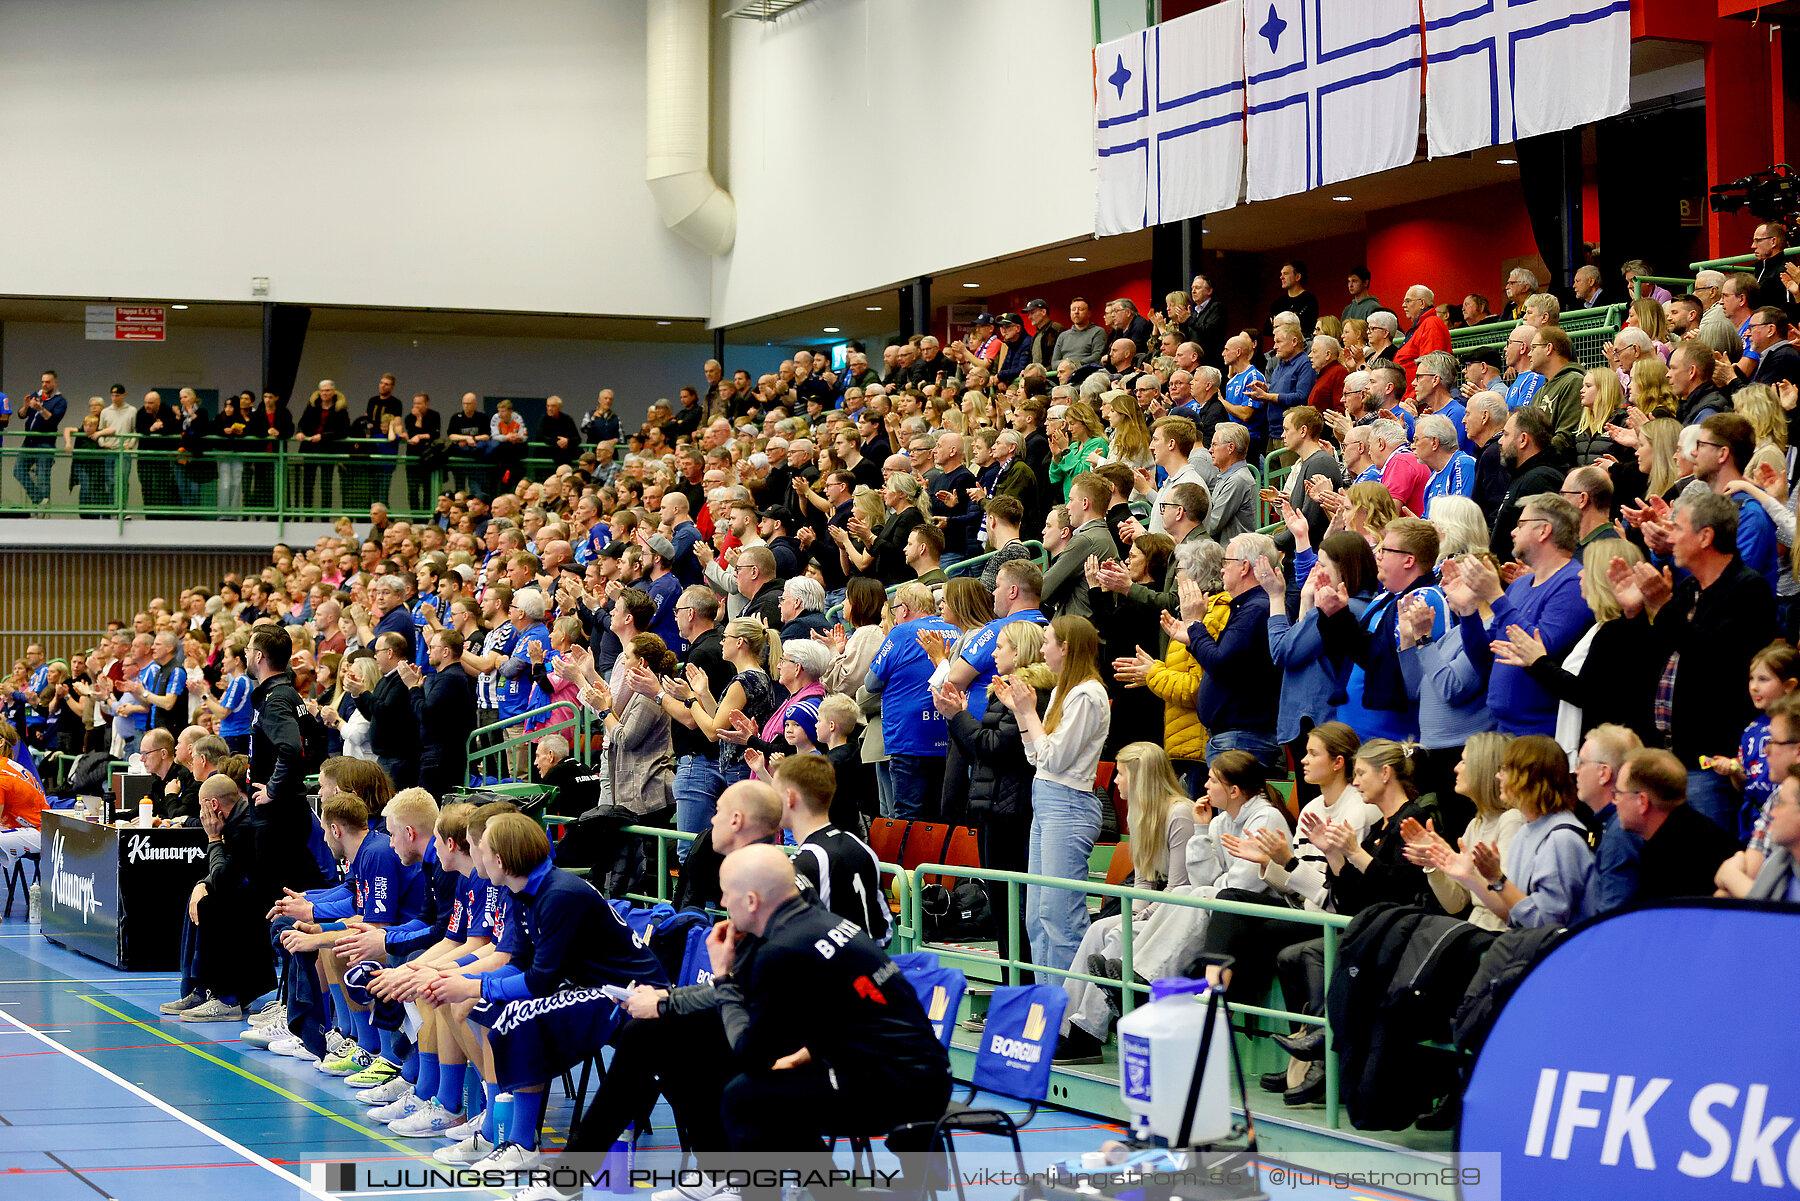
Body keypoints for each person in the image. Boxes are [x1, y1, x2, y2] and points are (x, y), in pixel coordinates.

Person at [1613, 490, 1778, 833]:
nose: (1669, 534)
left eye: (1678, 527)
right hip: (1665, 759)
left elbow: (1715, 661)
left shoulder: (1749, 589)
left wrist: (1662, 605)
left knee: (1705, 870)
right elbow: (1651, 660)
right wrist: (1635, 612)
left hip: (1709, 765)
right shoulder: (1689, 591)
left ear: (1705, 537)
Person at [1051, 741, 1197, 1063]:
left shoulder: (1180, 813)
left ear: (1141, 777)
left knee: (1119, 936)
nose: (1115, 781)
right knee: (1097, 930)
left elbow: (1178, 887)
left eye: (1120, 773)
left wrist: (1134, 918)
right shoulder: (1139, 813)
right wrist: (1129, 914)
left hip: (1180, 913)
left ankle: (1088, 1034)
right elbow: (1143, 882)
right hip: (1155, 908)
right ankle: (1063, 1028)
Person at [998, 615, 1109, 979]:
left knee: (1060, 916)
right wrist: (1020, 712)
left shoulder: (1087, 694)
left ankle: (1070, 1007)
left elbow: (1054, 758)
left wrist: (1028, 711)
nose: (1042, 649)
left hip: (1070, 804)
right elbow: (1036, 756)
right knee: (1037, 917)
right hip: (1045, 798)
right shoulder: (1064, 690)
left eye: (1048, 642)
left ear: (1066, 647)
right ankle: (1047, 1003)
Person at [1445, 493, 1591, 738]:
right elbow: (1485, 661)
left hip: (1542, 733)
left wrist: (1494, 595)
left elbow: (1537, 649)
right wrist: (1467, 612)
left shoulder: (1573, 584)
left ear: (1544, 530)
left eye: (1521, 525)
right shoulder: (1520, 586)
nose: (1513, 531)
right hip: (1503, 728)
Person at [1422, 735, 1595, 928]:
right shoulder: (1526, 832)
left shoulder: (1561, 838)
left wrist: (1497, 879)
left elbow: (1548, 926)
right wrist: (1443, 864)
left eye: (1505, 769)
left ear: (1527, 778)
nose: (1498, 776)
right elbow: (1514, 917)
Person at [865, 582, 956, 818]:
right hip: (948, 736)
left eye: (894, 611)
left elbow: (871, 682)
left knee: (909, 819)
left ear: (903, 609)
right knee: (942, 817)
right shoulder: (955, 629)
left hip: (909, 739)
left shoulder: (901, 632)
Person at [771, 754, 886, 938]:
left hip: (834, 965)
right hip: (873, 959)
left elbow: (795, 938)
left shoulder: (802, 863)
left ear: (790, 797)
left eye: (774, 794)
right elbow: (885, 928)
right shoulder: (860, 846)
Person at [1611, 747, 1740, 903]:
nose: (1614, 801)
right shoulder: (1694, 831)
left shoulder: (1672, 861)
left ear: (1642, 802)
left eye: (1618, 793)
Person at [403, 627, 477, 797]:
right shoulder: (448, 676)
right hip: (440, 755)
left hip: (441, 758)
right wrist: (418, 687)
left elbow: (427, 714)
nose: (427, 651)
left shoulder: (450, 678)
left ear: (445, 652)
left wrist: (412, 687)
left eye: (431, 647)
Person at [349, 632, 420, 790]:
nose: (374, 656)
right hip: (385, 757)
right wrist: (357, 694)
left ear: (390, 652)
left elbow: (386, 713)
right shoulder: (385, 680)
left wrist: (364, 692)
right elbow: (372, 715)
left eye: (377, 652)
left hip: (399, 759)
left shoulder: (403, 679)